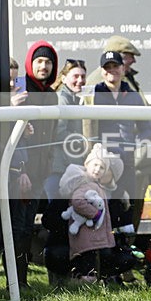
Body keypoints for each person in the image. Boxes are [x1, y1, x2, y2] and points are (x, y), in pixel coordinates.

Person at [83, 51, 151, 234]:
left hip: (128, 161)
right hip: (102, 163)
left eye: (115, 66)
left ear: (123, 69)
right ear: (101, 71)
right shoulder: (94, 94)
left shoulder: (133, 96)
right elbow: (85, 125)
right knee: (102, 204)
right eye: (107, 67)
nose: (111, 71)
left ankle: (124, 251)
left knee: (127, 206)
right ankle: (102, 251)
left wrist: (138, 146)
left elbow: (147, 127)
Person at [10, 41, 59, 288]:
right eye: (39, 61)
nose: (44, 66)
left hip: (39, 174)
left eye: (48, 61)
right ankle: (15, 281)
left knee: (27, 228)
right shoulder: (21, 90)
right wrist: (23, 169)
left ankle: (21, 279)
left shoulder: (52, 96)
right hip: (21, 172)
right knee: (17, 228)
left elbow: (52, 136)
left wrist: (47, 166)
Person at [56, 144, 123, 283]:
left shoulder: (94, 184)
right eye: (95, 165)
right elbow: (77, 201)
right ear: (87, 164)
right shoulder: (84, 183)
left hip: (92, 235)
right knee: (87, 260)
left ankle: (88, 282)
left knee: (91, 259)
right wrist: (95, 214)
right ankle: (84, 284)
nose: (98, 169)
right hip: (85, 234)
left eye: (102, 167)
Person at [45, 58, 87, 202]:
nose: (80, 80)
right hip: (59, 168)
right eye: (76, 76)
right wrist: (83, 140)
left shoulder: (75, 99)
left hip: (66, 166)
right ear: (63, 78)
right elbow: (58, 133)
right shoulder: (62, 99)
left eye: (83, 76)